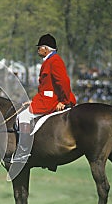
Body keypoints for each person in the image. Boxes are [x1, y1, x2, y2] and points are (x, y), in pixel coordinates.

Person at [12, 34, 77, 163]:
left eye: (39, 47)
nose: (38, 50)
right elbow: (46, 88)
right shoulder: (49, 61)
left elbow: (63, 82)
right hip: (46, 99)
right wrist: (34, 101)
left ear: (46, 49)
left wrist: (64, 102)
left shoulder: (55, 61)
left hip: (50, 101)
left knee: (23, 117)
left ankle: (23, 153)